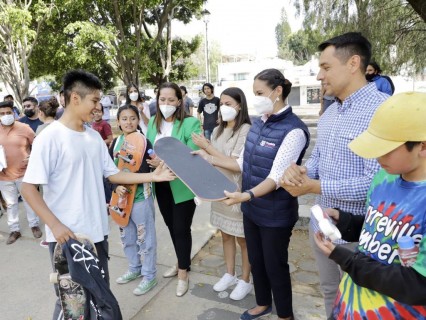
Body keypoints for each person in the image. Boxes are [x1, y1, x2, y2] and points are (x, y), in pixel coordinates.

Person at [20, 69, 174, 319]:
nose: (97, 106)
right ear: (75, 98)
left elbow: (113, 174)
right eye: (94, 100)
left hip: (97, 233)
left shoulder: (93, 137)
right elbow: (29, 188)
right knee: (72, 302)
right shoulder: (49, 138)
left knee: (99, 297)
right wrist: (56, 226)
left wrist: (152, 177)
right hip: (68, 238)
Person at [280, 32, 389, 318]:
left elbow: (376, 183)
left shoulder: (382, 111)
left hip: (362, 235)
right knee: (331, 293)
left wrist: (315, 185)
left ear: (353, 63)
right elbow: (318, 158)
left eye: (326, 67)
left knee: (364, 303)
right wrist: (301, 172)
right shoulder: (329, 113)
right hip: (323, 228)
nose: (319, 76)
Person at [195, 69, 309, 320]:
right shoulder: (258, 123)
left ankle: (285, 315)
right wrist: (208, 158)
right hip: (252, 209)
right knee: (257, 261)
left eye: (259, 93)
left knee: (274, 265)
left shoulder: (294, 131)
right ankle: (262, 303)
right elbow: (243, 163)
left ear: (277, 91)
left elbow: (277, 177)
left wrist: (245, 196)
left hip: (275, 212)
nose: (255, 98)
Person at [314, 92, 426, 319]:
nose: (377, 157)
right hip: (348, 306)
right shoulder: (383, 179)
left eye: (386, 149)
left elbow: (417, 285)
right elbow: (377, 225)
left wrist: (347, 259)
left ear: (422, 146)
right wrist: (345, 221)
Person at [192, 87, 253, 300]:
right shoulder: (218, 129)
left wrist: (207, 149)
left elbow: (236, 165)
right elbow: (216, 161)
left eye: (228, 104)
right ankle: (230, 274)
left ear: (240, 105)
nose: (223, 108)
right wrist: (205, 151)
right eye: (221, 104)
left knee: (243, 239)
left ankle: (245, 280)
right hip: (218, 192)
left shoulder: (245, 130)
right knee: (225, 235)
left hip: (236, 192)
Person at [146, 82, 202, 297]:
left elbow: (192, 154)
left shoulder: (190, 124)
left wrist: (165, 160)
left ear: (179, 101)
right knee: (171, 226)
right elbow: (150, 148)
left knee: (181, 228)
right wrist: (152, 160)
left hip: (183, 186)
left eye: (171, 100)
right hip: (161, 185)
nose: (166, 104)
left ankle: (183, 273)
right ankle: (182, 260)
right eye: (162, 99)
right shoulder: (153, 122)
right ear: (157, 100)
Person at [109, 104, 158, 296]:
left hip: (140, 198)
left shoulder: (145, 142)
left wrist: (157, 163)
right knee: (127, 237)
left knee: (146, 238)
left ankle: (149, 275)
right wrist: (115, 186)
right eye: (124, 118)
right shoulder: (115, 142)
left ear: (138, 120)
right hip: (120, 199)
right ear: (118, 122)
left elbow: (155, 165)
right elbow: (109, 170)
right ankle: (134, 267)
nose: (128, 122)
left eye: (132, 118)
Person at [0, 100, 42, 245]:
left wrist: (34, 156)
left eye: (8, 112)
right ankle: (14, 230)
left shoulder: (24, 128)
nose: (5, 115)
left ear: (13, 112)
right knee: (11, 204)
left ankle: (34, 225)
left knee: (29, 200)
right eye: (2, 114)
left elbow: (37, 144)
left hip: (24, 173)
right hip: (4, 176)